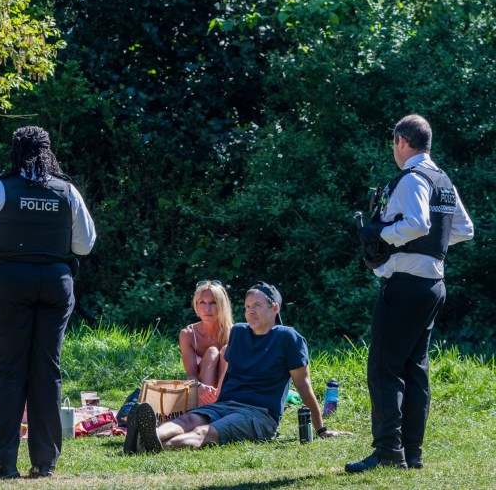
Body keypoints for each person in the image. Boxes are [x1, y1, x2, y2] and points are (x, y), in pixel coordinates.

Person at [0, 126, 96, 480]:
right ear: (48, 152)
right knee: (46, 370)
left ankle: (3, 463)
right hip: (56, 286)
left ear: (15, 152)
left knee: (10, 373)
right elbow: (85, 245)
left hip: (10, 285)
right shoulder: (67, 191)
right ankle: (44, 462)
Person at [348, 114, 474, 473]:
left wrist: (382, 236)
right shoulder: (443, 180)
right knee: (415, 369)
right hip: (433, 285)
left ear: (403, 141)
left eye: (393, 143)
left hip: (404, 284)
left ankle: (388, 451)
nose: (393, 150)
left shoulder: (412, 178)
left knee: (384, 367)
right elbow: (464, 229)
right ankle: (412, 452)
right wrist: (428, 245)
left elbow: (417, 224)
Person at [124, 282, 344, 453]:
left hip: (258, 414)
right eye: (247, 307)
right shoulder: (238, 331)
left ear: (274, 308)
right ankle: (146, 437)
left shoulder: (288, 338)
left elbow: (304, 386)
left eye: (257, 306)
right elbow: (226, 371)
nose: (250, 312)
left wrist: (320, 429)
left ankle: (146, 445)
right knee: (187, 420)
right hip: (226, 404)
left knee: (203, 431)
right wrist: (213, 396)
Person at [178, 280, 231, 405]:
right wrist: (200, 387)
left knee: (225, 350)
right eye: (202, 303)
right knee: (212, 352)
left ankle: (221, 405)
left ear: (222, 305)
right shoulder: (188, 334)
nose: (207, 309)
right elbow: (190, 374)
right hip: (201, 393)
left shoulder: (234, 332)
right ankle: (206, 407)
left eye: (213, 303)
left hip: (227, 392)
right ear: (196, 305)